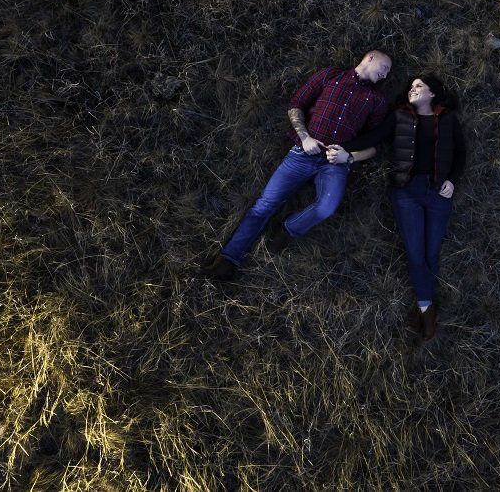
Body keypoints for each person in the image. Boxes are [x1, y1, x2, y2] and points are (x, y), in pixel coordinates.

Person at [199, 50, 392, 281]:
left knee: (326, 208)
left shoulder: (377, 101)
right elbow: (296, 105)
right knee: (263, 205)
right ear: (370, 58)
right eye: (385, 67)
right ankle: (227, 260)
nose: (386, 74)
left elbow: (373, 146)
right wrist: (305, 137)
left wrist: (347, 158)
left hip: (334, 164)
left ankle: (289, 229)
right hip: (302, 153)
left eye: (388, 73)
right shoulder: (330, 75)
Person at [325, 75, 465, 341]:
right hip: (406, 192)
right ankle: (427, 309)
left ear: (433, 93)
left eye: (419, 86)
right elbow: (374, 137)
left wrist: (452, 180)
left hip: (438, 193)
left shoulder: (447, 120)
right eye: (411, 85)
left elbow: (461, 153)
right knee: (415, 252)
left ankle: (425, 308)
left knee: (431, 252)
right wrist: (342, 147)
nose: (412, 88)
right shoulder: (399, 116)